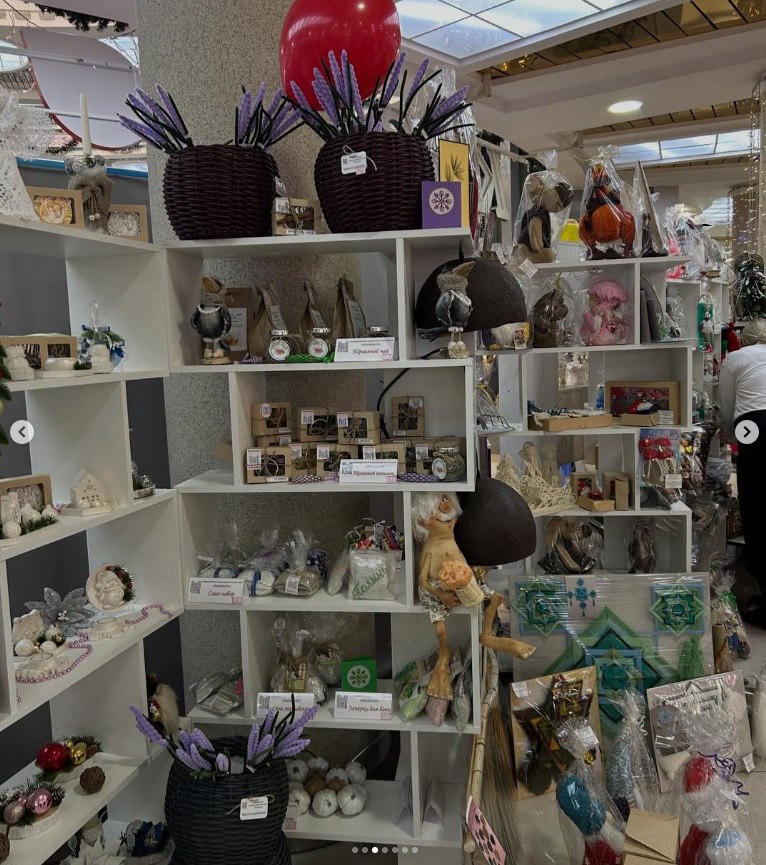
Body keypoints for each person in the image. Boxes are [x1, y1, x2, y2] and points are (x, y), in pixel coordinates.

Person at [719, 319, 766, 624]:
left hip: (755, 430)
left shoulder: (736, 358)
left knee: (757, 508)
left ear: (745, 340)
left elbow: (727, 409)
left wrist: (727, 436)